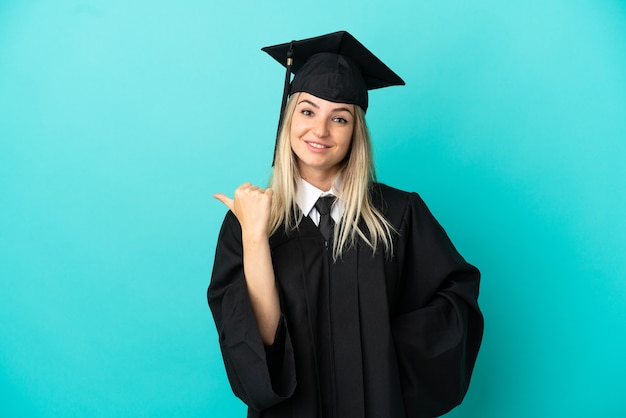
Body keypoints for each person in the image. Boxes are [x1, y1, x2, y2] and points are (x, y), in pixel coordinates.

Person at [208, 31, 483, 418]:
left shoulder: (399, 214)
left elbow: (456, 302)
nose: (320, 131)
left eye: (339, 118)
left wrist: (385, 349)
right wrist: (255, 236)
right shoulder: (247, 220)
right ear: (287, 119)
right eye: (307, 111)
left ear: (356, 132)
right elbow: (261, 346)